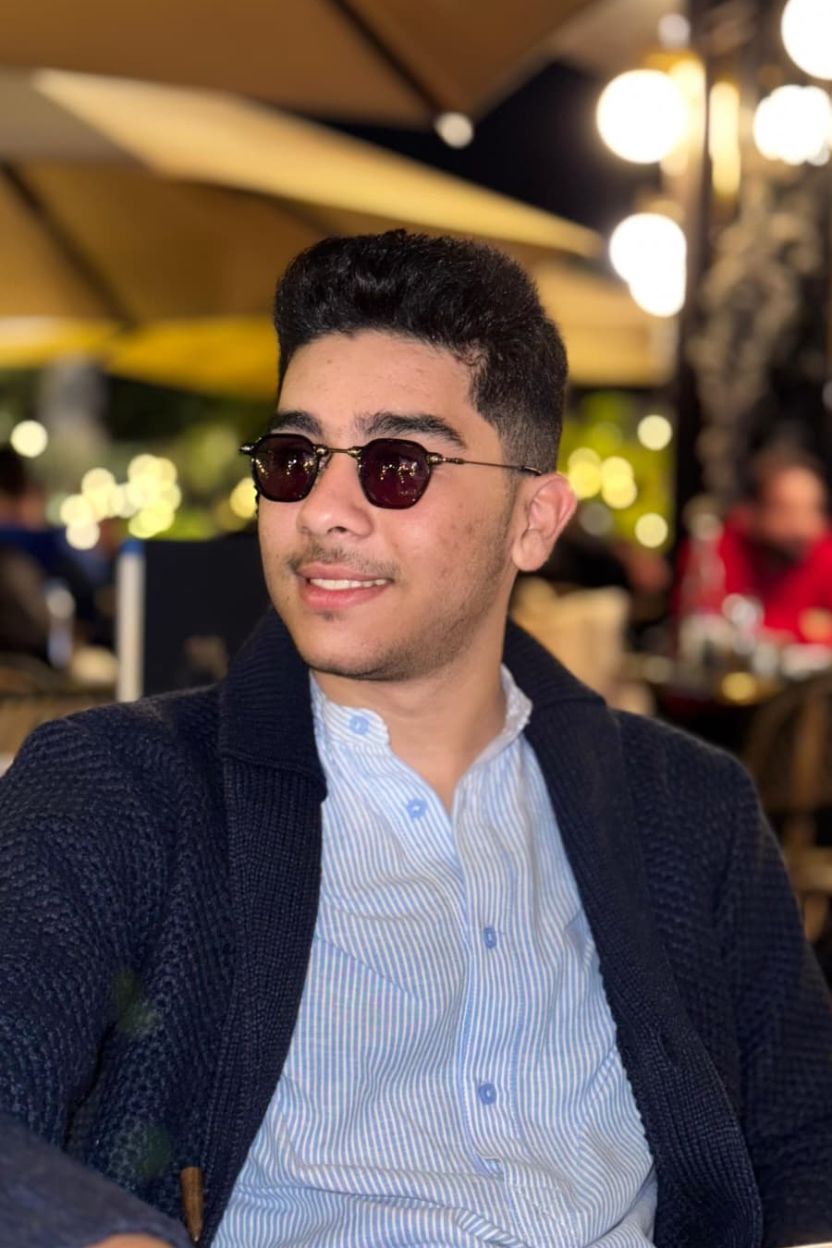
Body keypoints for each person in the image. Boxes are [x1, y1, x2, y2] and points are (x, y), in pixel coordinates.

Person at [1, 231, 831, 1248]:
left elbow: (807, 1154)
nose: (324, 511)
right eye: (295, 459)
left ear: (535, 521)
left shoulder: (687, 810)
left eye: (396, 466)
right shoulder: (119, 790)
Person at [675, 448, 832, 645]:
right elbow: (702, 626)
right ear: (749, 511)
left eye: (813, 510)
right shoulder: (714, 551)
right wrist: (804, 627)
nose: (802, 527)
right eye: (785, 511)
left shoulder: (825, 552)